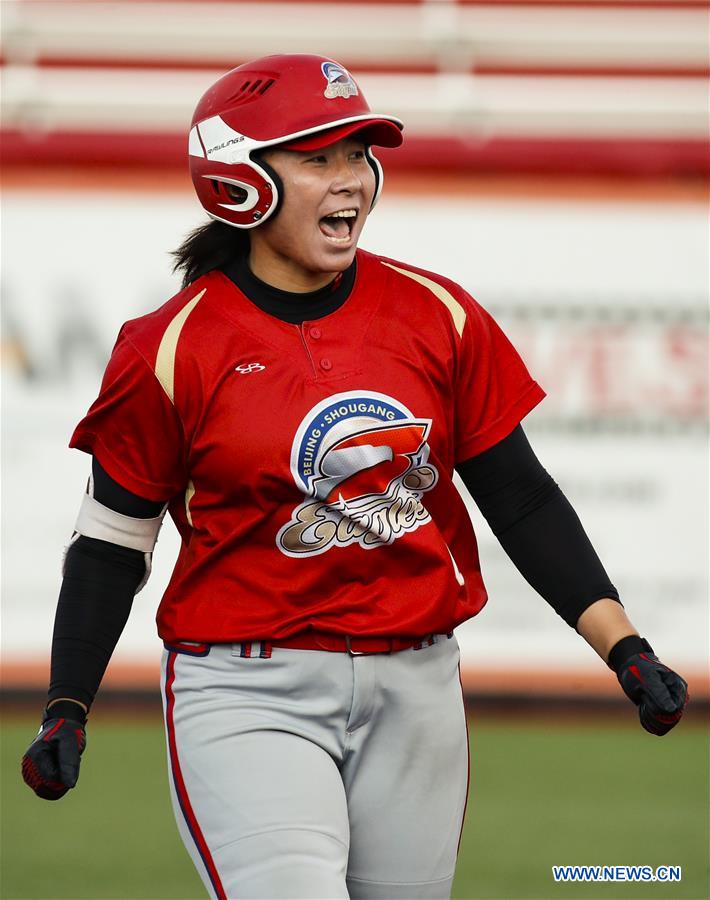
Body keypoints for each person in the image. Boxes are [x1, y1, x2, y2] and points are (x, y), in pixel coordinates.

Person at [22, 54, 688, 900]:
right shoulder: (169, 345)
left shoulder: (437, 312)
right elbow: (113, 543)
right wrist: (68, 703)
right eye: (318, 157)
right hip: (246, 689)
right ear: (240, 183)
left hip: (418, 689)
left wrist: (624, 648)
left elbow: (520, 498)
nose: (351, 181)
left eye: (358, 155)